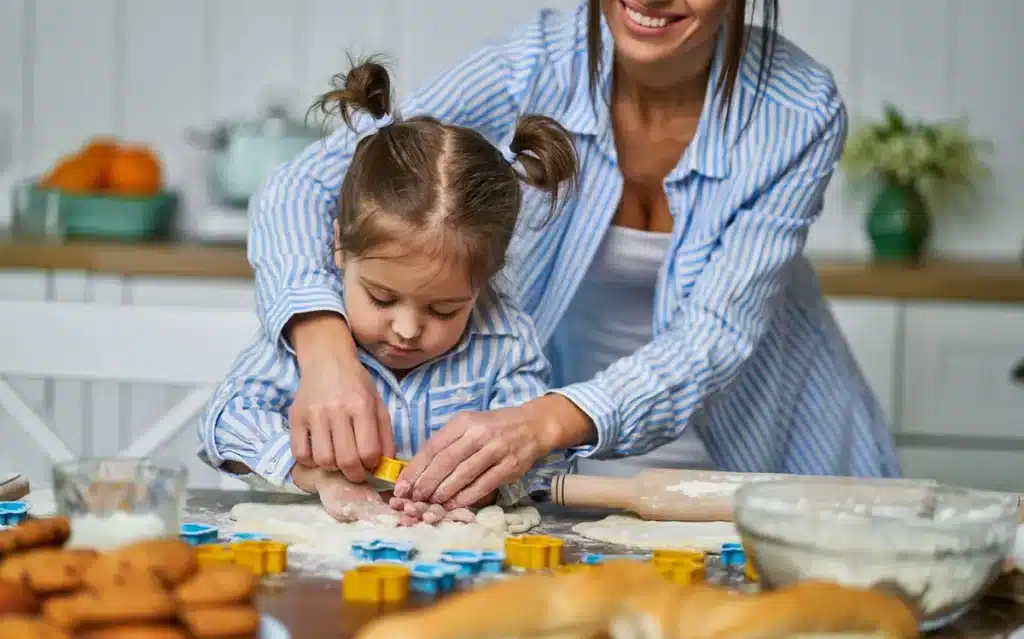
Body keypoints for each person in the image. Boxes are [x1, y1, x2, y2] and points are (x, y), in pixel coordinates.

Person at [247, 0, 901, 516]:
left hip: (762, 457)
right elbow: (300, 187)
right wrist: (326, 351)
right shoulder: (528, 66)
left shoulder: (798, 109)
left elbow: (712, 339)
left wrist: (541, 421)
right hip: (562, 470)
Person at [197, 59, 579, 524]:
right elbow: (225, 423)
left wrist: (486, 485)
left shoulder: (505, 342)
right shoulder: (306, 339)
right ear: (338, 247)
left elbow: (545, 460)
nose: (406, 329)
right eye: (381, 298)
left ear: (486, 280)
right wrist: (316, 475)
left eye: (443, 309)